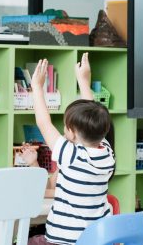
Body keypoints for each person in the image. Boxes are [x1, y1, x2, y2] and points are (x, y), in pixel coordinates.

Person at [28, 53, 115, 245]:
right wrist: (84, 81)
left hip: (64, 240)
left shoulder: (72, 155)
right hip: (96, 239)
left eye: (66, 126)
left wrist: (37, 88)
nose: (63, 130)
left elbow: (44, 123)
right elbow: (93, 114)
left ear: (73, 133)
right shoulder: (107, 152)